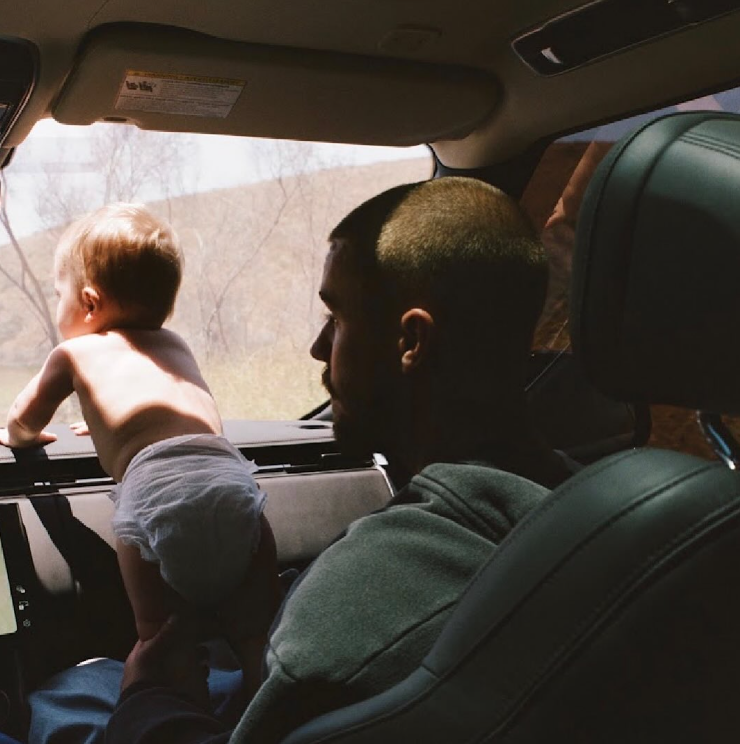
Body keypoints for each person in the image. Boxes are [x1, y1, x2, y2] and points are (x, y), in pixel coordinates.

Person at [29, 178, 574, 744]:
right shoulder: (595, 502)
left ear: (411, 342)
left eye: (336, 319)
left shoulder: (363, 595)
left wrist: (147, 699)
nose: (317, 348)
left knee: (63, 697)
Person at [0, 203, 269, 646]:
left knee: (157, 633)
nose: (57, 303)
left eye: (58, 294)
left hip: (154, 492)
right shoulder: (176, 345)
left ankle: (163, 672)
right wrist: (109, 426)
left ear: (89, 303)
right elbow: (158, 415)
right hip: (233, 482)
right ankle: (261, 680)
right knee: (256, 626)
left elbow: (23, 417)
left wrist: (18, 438)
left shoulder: (74, 354)